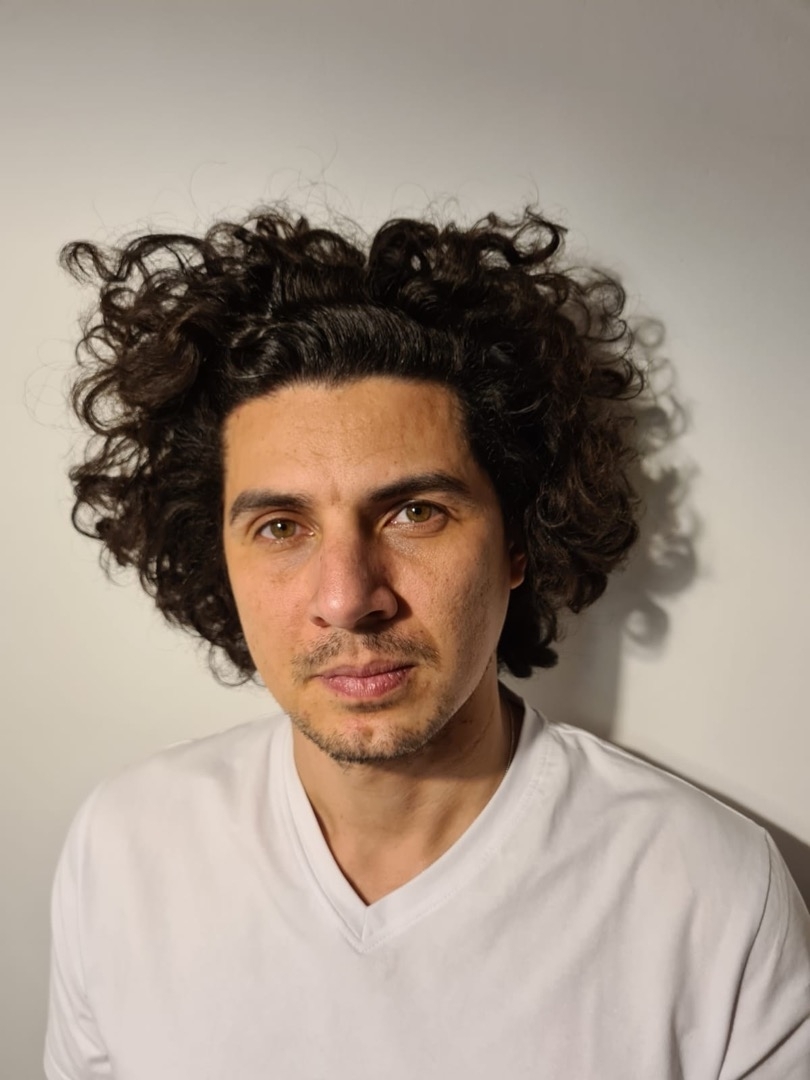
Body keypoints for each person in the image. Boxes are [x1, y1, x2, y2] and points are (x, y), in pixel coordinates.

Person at [46, 206, 810, 1080]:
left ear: (518, 541)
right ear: (216, 557)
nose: (349, 600)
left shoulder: (713, 896)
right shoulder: (124, 851)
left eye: (415, 513)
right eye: (281, 526)